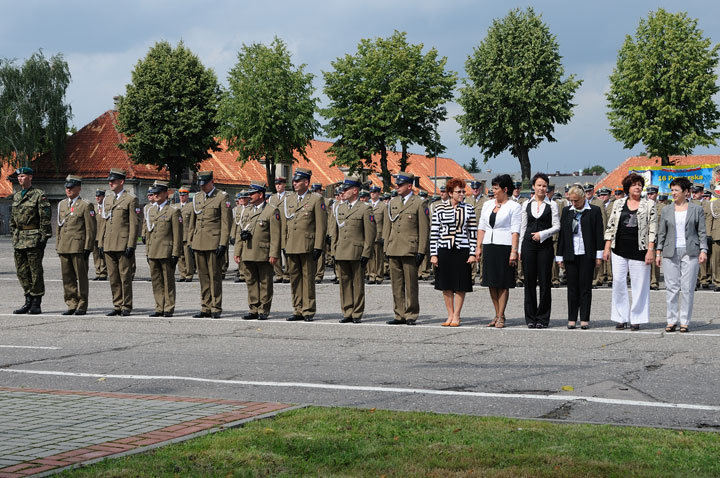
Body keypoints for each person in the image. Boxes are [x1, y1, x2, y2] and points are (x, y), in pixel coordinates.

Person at [603, 173, 657, 330]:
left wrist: (650, 250)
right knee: (619, 283)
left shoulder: (649, 204)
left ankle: (636, 318)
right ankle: (621, 317)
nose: (638, 187)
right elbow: (611, 226)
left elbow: (653, 229)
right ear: (628, 188)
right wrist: (607, 248)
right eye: (634, 185)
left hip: (640, 250)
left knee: (639, 285)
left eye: (640, 184)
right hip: (618, 249)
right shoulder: (618, 203)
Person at [655, 177, 707, 333]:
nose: (673, 193)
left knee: (687, 288)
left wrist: (703, 250)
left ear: (686, 192)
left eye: (676, 190)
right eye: (672, 190)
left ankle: (684, 321)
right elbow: (662, 233)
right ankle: (671, 320)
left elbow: (702, 232)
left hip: (690, 251)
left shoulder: (696, 209)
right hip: (670, 251)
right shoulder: (666, 210)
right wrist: (658, 252)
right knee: (671, 287)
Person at [476, 174, 522, 328]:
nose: (493, 191)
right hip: (489, 245)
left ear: (505, 189)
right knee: (491, 283)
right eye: (493, 188)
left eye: (496, 188)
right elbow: (481, 227)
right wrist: (478, 247)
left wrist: (513, 251)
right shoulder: (488, 205)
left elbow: (515, 231)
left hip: (504, 246)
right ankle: (496, 314)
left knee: (502, 283)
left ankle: (501, 315)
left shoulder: (514, 206)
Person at [281, 168, 328, 322]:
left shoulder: (315, 199)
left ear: (306, 182)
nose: (294, 183)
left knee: (308, 279)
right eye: (293, 181)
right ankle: (297, 308)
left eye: (297, 181)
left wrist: (318, 246)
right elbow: (285, 224)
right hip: (292, 244)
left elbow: (321, 225)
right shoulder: (289, 199)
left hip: (308, 245)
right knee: (294, 278)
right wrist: (284, 244)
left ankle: (308, 309)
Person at [383, 172, 430, 325]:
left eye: (400, 184)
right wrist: (386, 247)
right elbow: (387, 227)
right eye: (397, 184)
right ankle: (399, 314)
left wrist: (422, 251)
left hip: (410, 248)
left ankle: (411, 314)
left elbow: (424, 229)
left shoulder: (419, 203)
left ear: (409, 186)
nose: (397, 187)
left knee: (410, 284)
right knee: (396, 284)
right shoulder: (393, 202)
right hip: (394, 247)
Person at [430, 178, 477, 327]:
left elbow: (473, 233)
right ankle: (449, 314)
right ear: (450, 193)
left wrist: (472, 253)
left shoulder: (469, 209)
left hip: (462, 249)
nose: (462, 194)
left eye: (463, 191)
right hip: (444, 249)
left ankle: (457, 315)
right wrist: (433, 253)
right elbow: (434, 232)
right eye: (459, 192)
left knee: (460, 284)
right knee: (446, 284)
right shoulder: (439, 209)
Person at [556, 186, 604, 329]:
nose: (574, 203)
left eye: (576, 200)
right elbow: (563, 235)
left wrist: (598, 255)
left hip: (587, 254)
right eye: (571, 201)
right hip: (571, 254)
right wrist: (559, 256)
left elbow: (598, 234)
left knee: (585, 287)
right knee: (572, 287)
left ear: (583, 198)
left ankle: (584, 318)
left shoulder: (594, 211)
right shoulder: (566, 211)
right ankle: (572, 318)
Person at [331, 176, 376, 323]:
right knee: (344, 283)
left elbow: (370, 233)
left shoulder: (365, 208)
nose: (343, 192)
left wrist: (366, 252)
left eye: (346, 189)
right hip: (342, 251)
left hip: (357, 251)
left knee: (357, 284)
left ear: (355, 190)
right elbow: (335, 232)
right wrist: (333, 251)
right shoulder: (340, 208)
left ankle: (357, 313)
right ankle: (347, 311)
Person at [187, 170, 232, 319]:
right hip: (199, 242)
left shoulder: (221, 197)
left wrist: (223, 244)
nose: (202, 187)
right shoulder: (198, 197)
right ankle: (205, 306)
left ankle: (215, 307)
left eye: (205, 184)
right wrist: (190, 241)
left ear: (211, 182)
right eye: (200, 184)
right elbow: (193, 222)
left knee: (215, 276)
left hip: (214, 242)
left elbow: (226, 223)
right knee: (203, 277)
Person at [235, 181, 281, 321]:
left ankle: (263, 309)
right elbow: (240, 232)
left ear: (260, 194)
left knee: (265, 282)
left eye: (252, 193)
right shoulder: (247, 210)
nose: (249, 196)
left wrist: (274, 254)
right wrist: (237, 252)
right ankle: (253, 308)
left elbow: (275, 235)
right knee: (251, 281)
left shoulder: (271, 211)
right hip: (248, 251)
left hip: (263, 253)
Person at [518, 173, 560, 328]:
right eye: (539, 185)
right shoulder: (526, 204)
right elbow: (523, 227)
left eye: (544, 186)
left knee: (544, 282)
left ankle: (542, 318)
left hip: (545, 246)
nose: (542, 188)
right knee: (528, 282)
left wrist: (542, 234)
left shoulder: (552, 205)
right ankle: (530, 318)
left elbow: (556, 226)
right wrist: (519, 249)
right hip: (528, 246)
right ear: (533, 186)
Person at [11, 167, 52, 315]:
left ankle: (36, 302)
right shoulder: (16, 196)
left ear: (30, 177)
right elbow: (12, 220)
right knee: (21, 271)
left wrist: (44, 237)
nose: (20, 179)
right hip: (19, 239)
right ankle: (27, 299)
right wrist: (13, 234)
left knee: (35, 271)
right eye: (19, 177)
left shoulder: (38, 195)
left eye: (23, 176)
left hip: (33, 238)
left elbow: (45, 218)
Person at [100, 168, 140, 316]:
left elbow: (134, 224)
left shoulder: (130, 199)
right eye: (110, 181)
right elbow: (104, 222)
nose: (111, 183)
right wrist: (101, 243)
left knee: (125, 277)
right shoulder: (107, 199)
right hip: (109, 243)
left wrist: (131, 245)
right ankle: (117, 304)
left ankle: (126, 305)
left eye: (113, 181)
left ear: (121, 182)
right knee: (113, 277)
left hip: (123, 244)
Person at [56, 175, 96, 315]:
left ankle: (82, 304)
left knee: (81, 277)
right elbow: (59, 227)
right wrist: (58, 245)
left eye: (71, 187)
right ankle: (71, 303)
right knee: (67, 277)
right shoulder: (62, 204)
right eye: (67, 187)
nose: (68, 189)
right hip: (64, 246)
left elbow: (91, 228)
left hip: (78, 247)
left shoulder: (85, 205)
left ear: (79, 188)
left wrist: (88, 247)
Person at [145, 181, 182, 317]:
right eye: (154, 193)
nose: (155, 195)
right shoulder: (151, 210)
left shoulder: (173, 211)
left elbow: (177, 234)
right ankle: (159, 306)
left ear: (166, 194)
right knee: (156, 281)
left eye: (158, 193)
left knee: (168, 281)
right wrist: (147, 252)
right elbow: (149, 234)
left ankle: (168, 307)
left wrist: (175, 253)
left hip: (166, 251)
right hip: (153, 251)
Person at [268, 176, 290, 283]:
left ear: (284, 185)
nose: (278, 186)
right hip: (275, 227)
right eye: (276, 184)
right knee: (275, 250)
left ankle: (287, 274)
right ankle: (278, 274)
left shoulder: (289, 197)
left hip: (285, 227)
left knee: (286, 252)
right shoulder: (272, 198)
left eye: (280, 184)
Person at [175, 186, 196, 282]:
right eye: (180, 195)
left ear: (187, 196)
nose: (182, 197)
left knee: (188, 257)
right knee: (180, 256)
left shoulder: (191, 206)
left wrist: (191, 236)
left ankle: (189, 274)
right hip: (178, 235)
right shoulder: (176, 206)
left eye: (184, 195)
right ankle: (182, 274)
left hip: (187, 235)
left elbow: (192, 222)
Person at [366, 185, 386, 284]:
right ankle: (371, 275)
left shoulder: (383, 206)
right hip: (369, 235)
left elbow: (386, 223)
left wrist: (384, 236)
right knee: (369, 256)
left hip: (378, 235)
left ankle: (379, 275)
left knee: (378, 257)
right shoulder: (367, 205)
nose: (372, 194)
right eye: (371, 192)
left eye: (374, 192)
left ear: (378, 193)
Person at [92, 189, 108, 281]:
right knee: (96, 254)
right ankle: (98, 272)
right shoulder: (93, 207)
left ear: (103, 197)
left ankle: (103, 272)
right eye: (96, 196)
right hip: (95, 234)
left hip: (103, 234)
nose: (97, 198)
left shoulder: (106, 208)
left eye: (99, 196)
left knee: (103, 254)